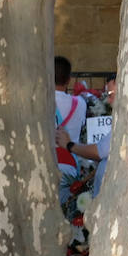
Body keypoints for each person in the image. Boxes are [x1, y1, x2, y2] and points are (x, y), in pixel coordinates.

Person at [53, 55, 87, 203]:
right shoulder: (80, 103)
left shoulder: (39, 101)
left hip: (46, 162)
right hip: (70, 163)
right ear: (68, 79)